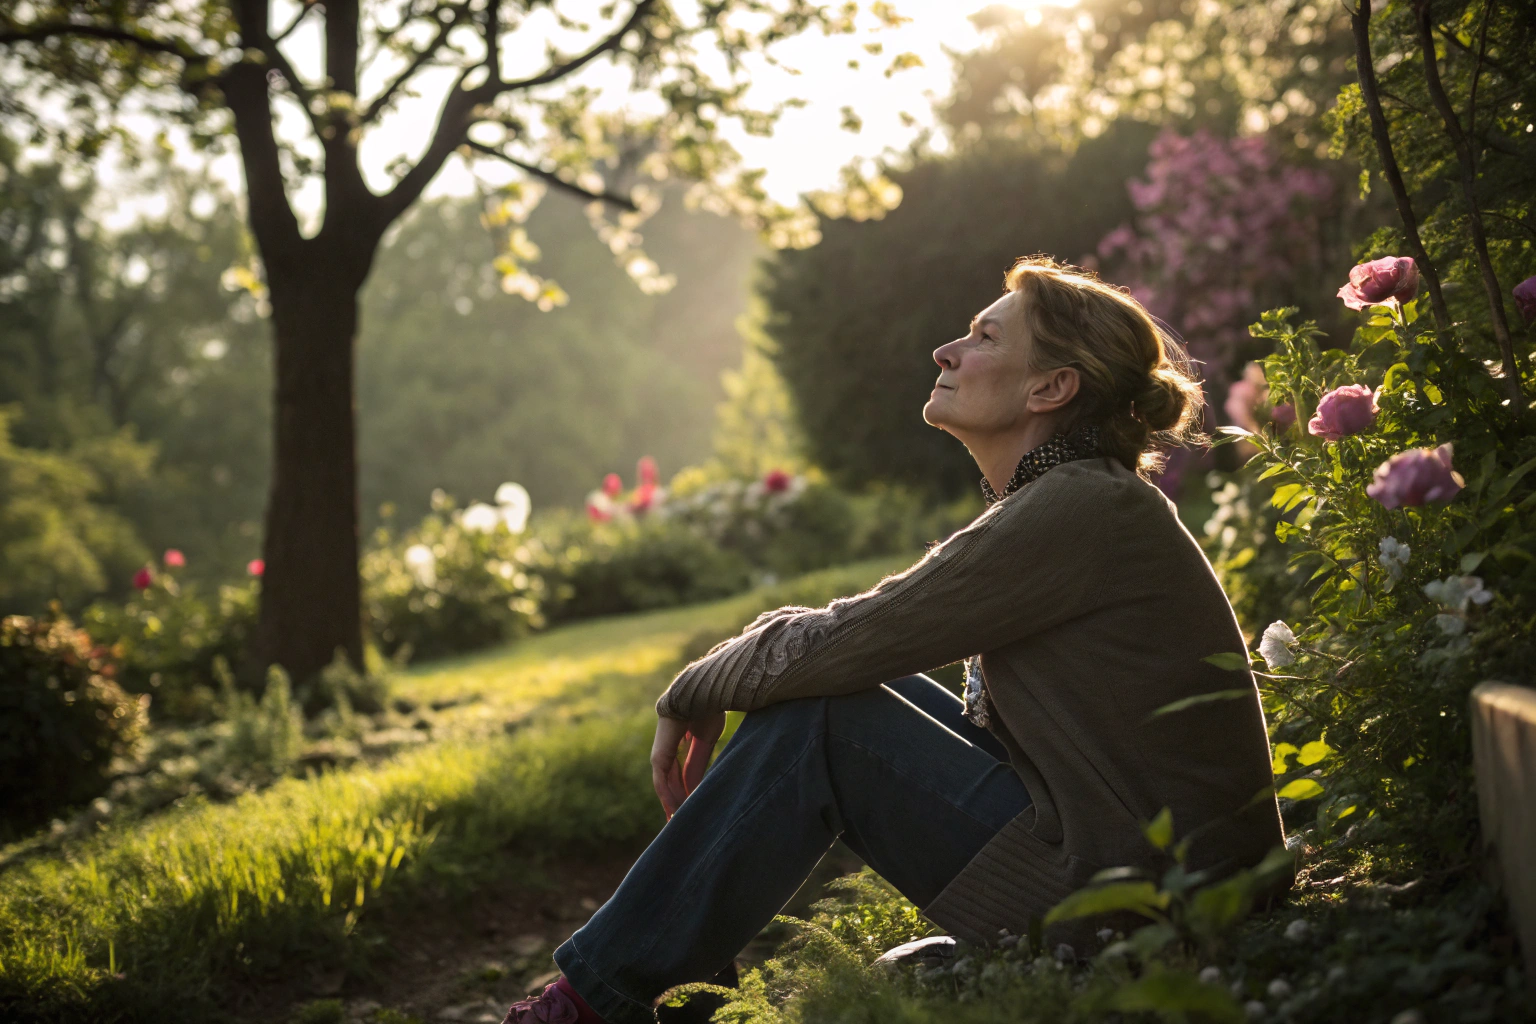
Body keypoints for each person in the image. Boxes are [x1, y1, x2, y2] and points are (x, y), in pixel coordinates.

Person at [502, 256, 1285, 1024]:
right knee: (836, 692)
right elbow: (854, 639)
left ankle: (590, 1006)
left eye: (984, 338)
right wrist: (733, 671)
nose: (946, 351)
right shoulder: (1081, 498)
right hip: (1136, 877)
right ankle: (657, 990)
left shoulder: (1081, 507)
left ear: (1050, 388)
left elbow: (854, 635)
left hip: (1152, 910)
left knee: (827, 713)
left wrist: (692, 688)